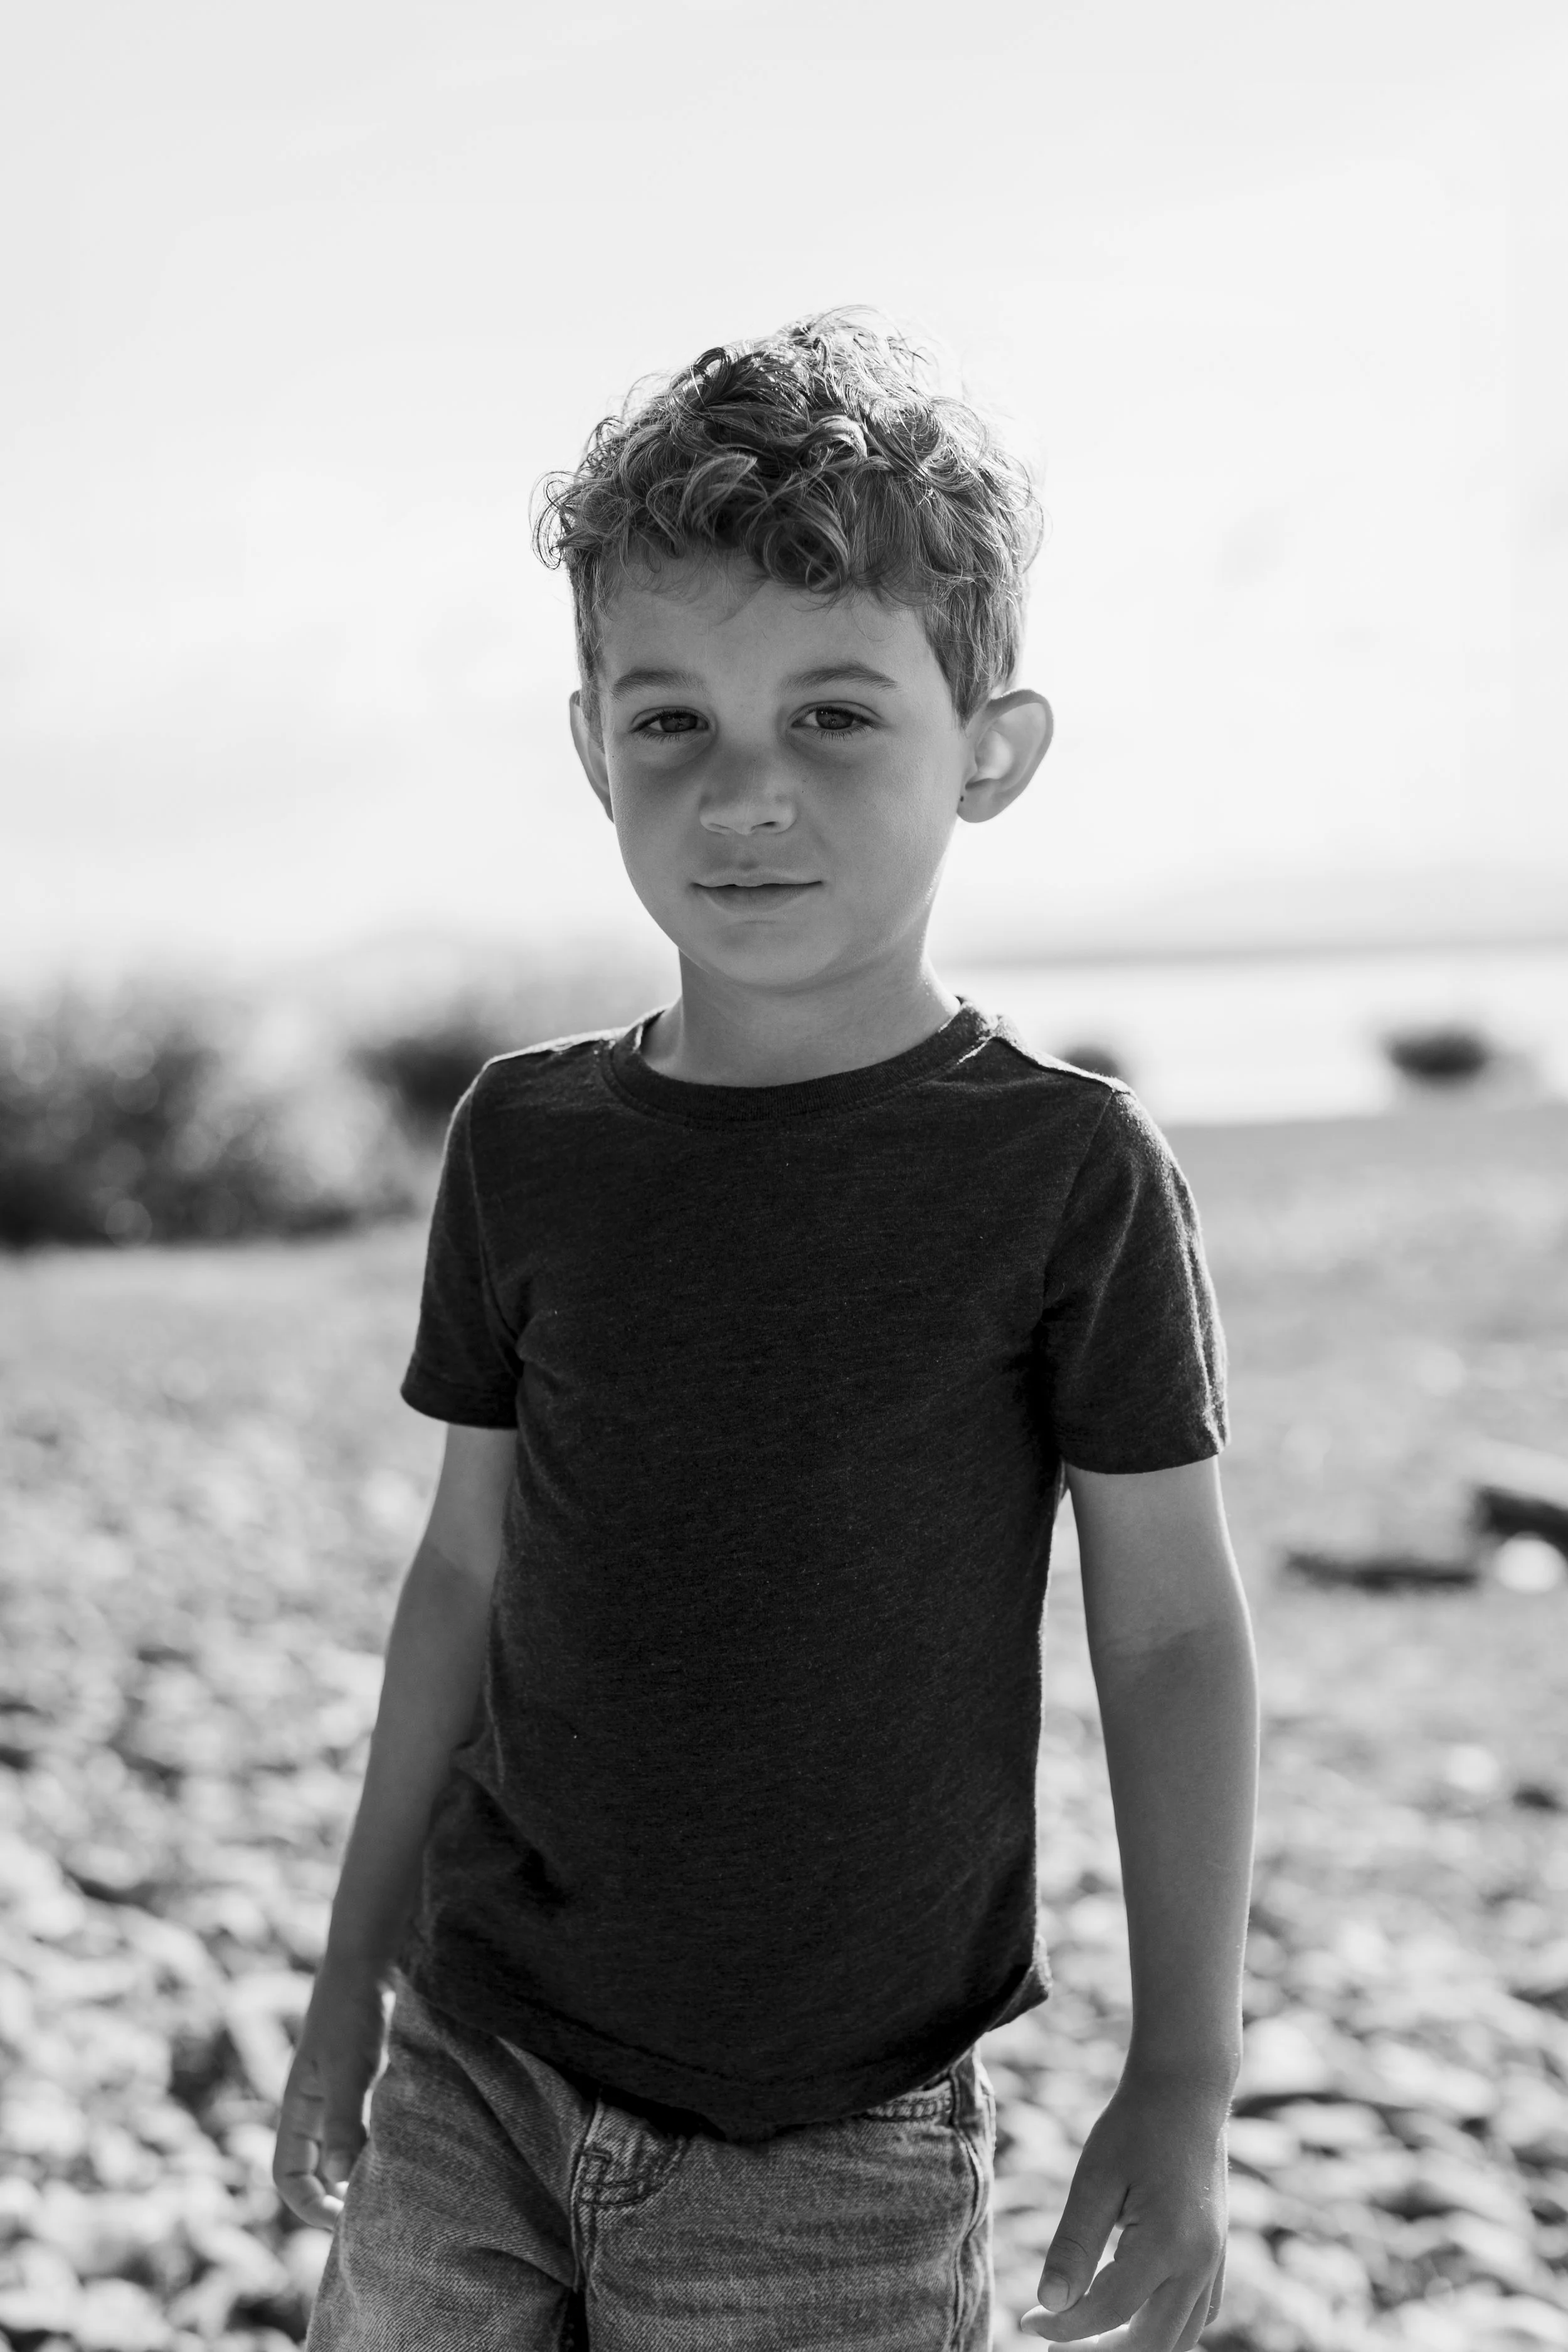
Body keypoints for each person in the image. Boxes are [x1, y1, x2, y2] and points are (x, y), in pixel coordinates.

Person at [273, 308, 1259, 2352]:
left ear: (985, 747)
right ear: (587, 744)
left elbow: (1165, 1629)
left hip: (837, 2138)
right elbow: (464, 1566)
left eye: (831, 716)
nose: (742, 797)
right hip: (480, 2054)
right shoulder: (528, 1139)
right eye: (670, 725)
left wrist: (1182, 2077)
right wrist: (350, 1969)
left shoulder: (1061, 1173)